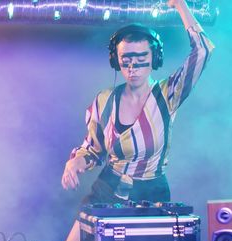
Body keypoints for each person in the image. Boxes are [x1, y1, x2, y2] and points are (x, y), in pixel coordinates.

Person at [61, 0, 215, 205]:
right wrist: (74, 163)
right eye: (126, 59)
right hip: (107, 189)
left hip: (152, 194)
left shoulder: (167, 94)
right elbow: (93, 150)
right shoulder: (104, 100)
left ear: (155, 59)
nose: (132, 67)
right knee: (80, 237)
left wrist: (180, 5)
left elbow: (203, 51)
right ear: (115, 61)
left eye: (141, 57)